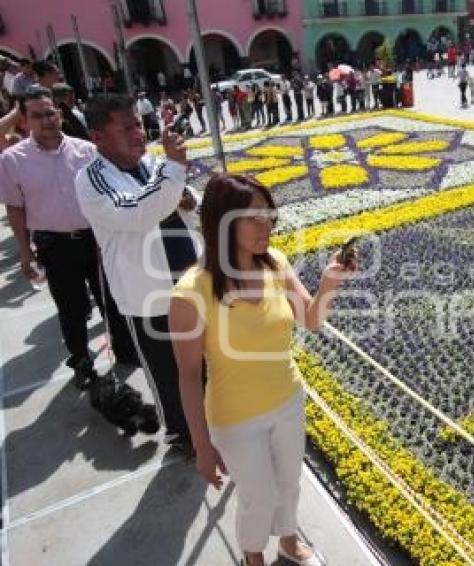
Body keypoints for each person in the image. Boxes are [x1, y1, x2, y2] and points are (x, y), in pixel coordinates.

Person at [170, 174, 355, 566]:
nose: (266, 226)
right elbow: (187, 375)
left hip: (287, 398)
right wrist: (202, 446)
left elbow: (310, 319)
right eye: (253, 217)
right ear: (222, 222)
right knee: (258, 497)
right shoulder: (191, 291)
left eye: (269, 215)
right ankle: (253, 554)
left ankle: (289, 543)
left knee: (288, 484)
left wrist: (330, 282)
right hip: (235, 417)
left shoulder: (277, 264)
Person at [75, 94, 201, 451]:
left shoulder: (148, 160)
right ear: (98, 137)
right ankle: (184, 436)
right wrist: (175, 170)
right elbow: (138, 211)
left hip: (189, 284)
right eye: (126, 127)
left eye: (137, 123)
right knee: (168, 373)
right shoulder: (92, 180)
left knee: (201, 362)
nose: (138, 132)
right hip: (150, 297)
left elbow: (178, 198)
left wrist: (187, 195)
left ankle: (209, 424)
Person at [0, 87, 138, 388]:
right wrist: (25, 252)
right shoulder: (12, 160)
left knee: (111, 300)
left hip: (96, 239)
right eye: (37, 115)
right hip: (55, 245)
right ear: (24, 121)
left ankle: (126, 351)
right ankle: (82, 362)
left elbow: (106, 194)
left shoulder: (86, 150)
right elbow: (15, 208)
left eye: (50, 112)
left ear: (60, 114)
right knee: (71, 309)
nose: (46, 120)